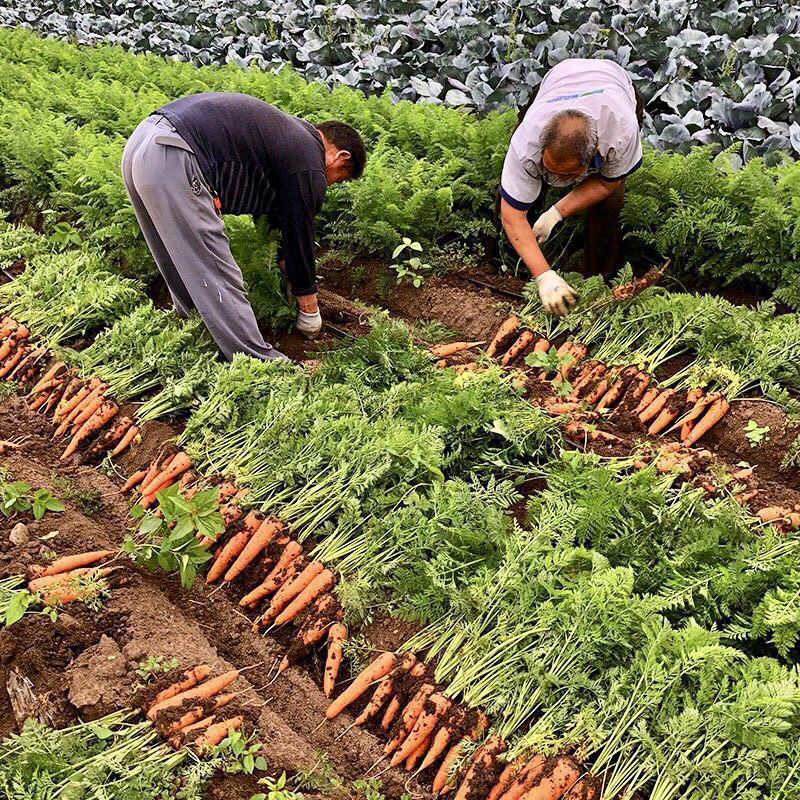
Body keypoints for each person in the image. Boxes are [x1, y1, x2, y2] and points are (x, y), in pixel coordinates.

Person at [121, 93, 366, 361]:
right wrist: (308, 307)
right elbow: (300, 235)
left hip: (144, 142)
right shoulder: (310, 164)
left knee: (175, 256)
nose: (331, 185)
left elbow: (276, 222)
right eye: (340, 179)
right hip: (175, 152)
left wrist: (286, 268)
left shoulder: (290, 138)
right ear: (341, 156)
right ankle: (257, 361)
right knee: (215, 268)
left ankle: (195, 330)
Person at [499, 59, 644, 315]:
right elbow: (512, 216)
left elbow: (609, 181)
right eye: (549, 169)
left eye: (567, 175)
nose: (556, 178)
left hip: (613, 84)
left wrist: (556, 213)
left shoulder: (620, 132)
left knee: (610, 203)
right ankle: (516, 262)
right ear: (541, 148)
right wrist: (544, 276)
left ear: (592, 158)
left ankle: (597, 281)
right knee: (512, 192)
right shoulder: (526, 141)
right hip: (559, 79)